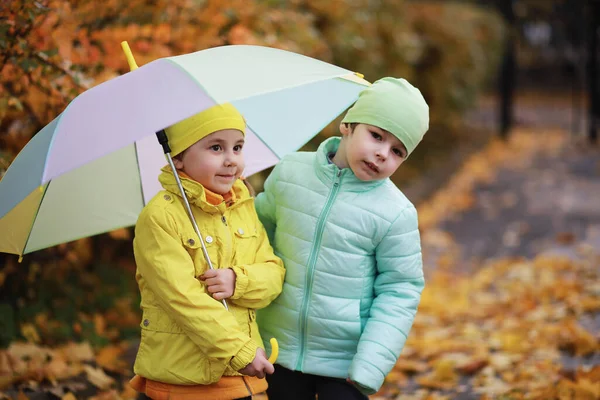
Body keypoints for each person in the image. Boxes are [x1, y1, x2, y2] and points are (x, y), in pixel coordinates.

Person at [255, 77, 429, 399]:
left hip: (346, 365)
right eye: (376, 136)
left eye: (397, 151)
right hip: (277, 347)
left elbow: (400, 290)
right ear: (347, 124)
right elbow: (254, 237)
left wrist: (369, 366)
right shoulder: (291, 172)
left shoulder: (396, 212)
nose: (381, 154)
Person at [129, 103, 285, 400]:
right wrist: (239, 351)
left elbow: (273, 272)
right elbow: (182, 298)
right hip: (180, 381)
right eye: (216, 148)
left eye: (237, 147)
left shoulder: (242, 206)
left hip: (237, 378)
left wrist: (237, 281)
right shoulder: (161, 217)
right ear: (178, 158)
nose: (231, 160)